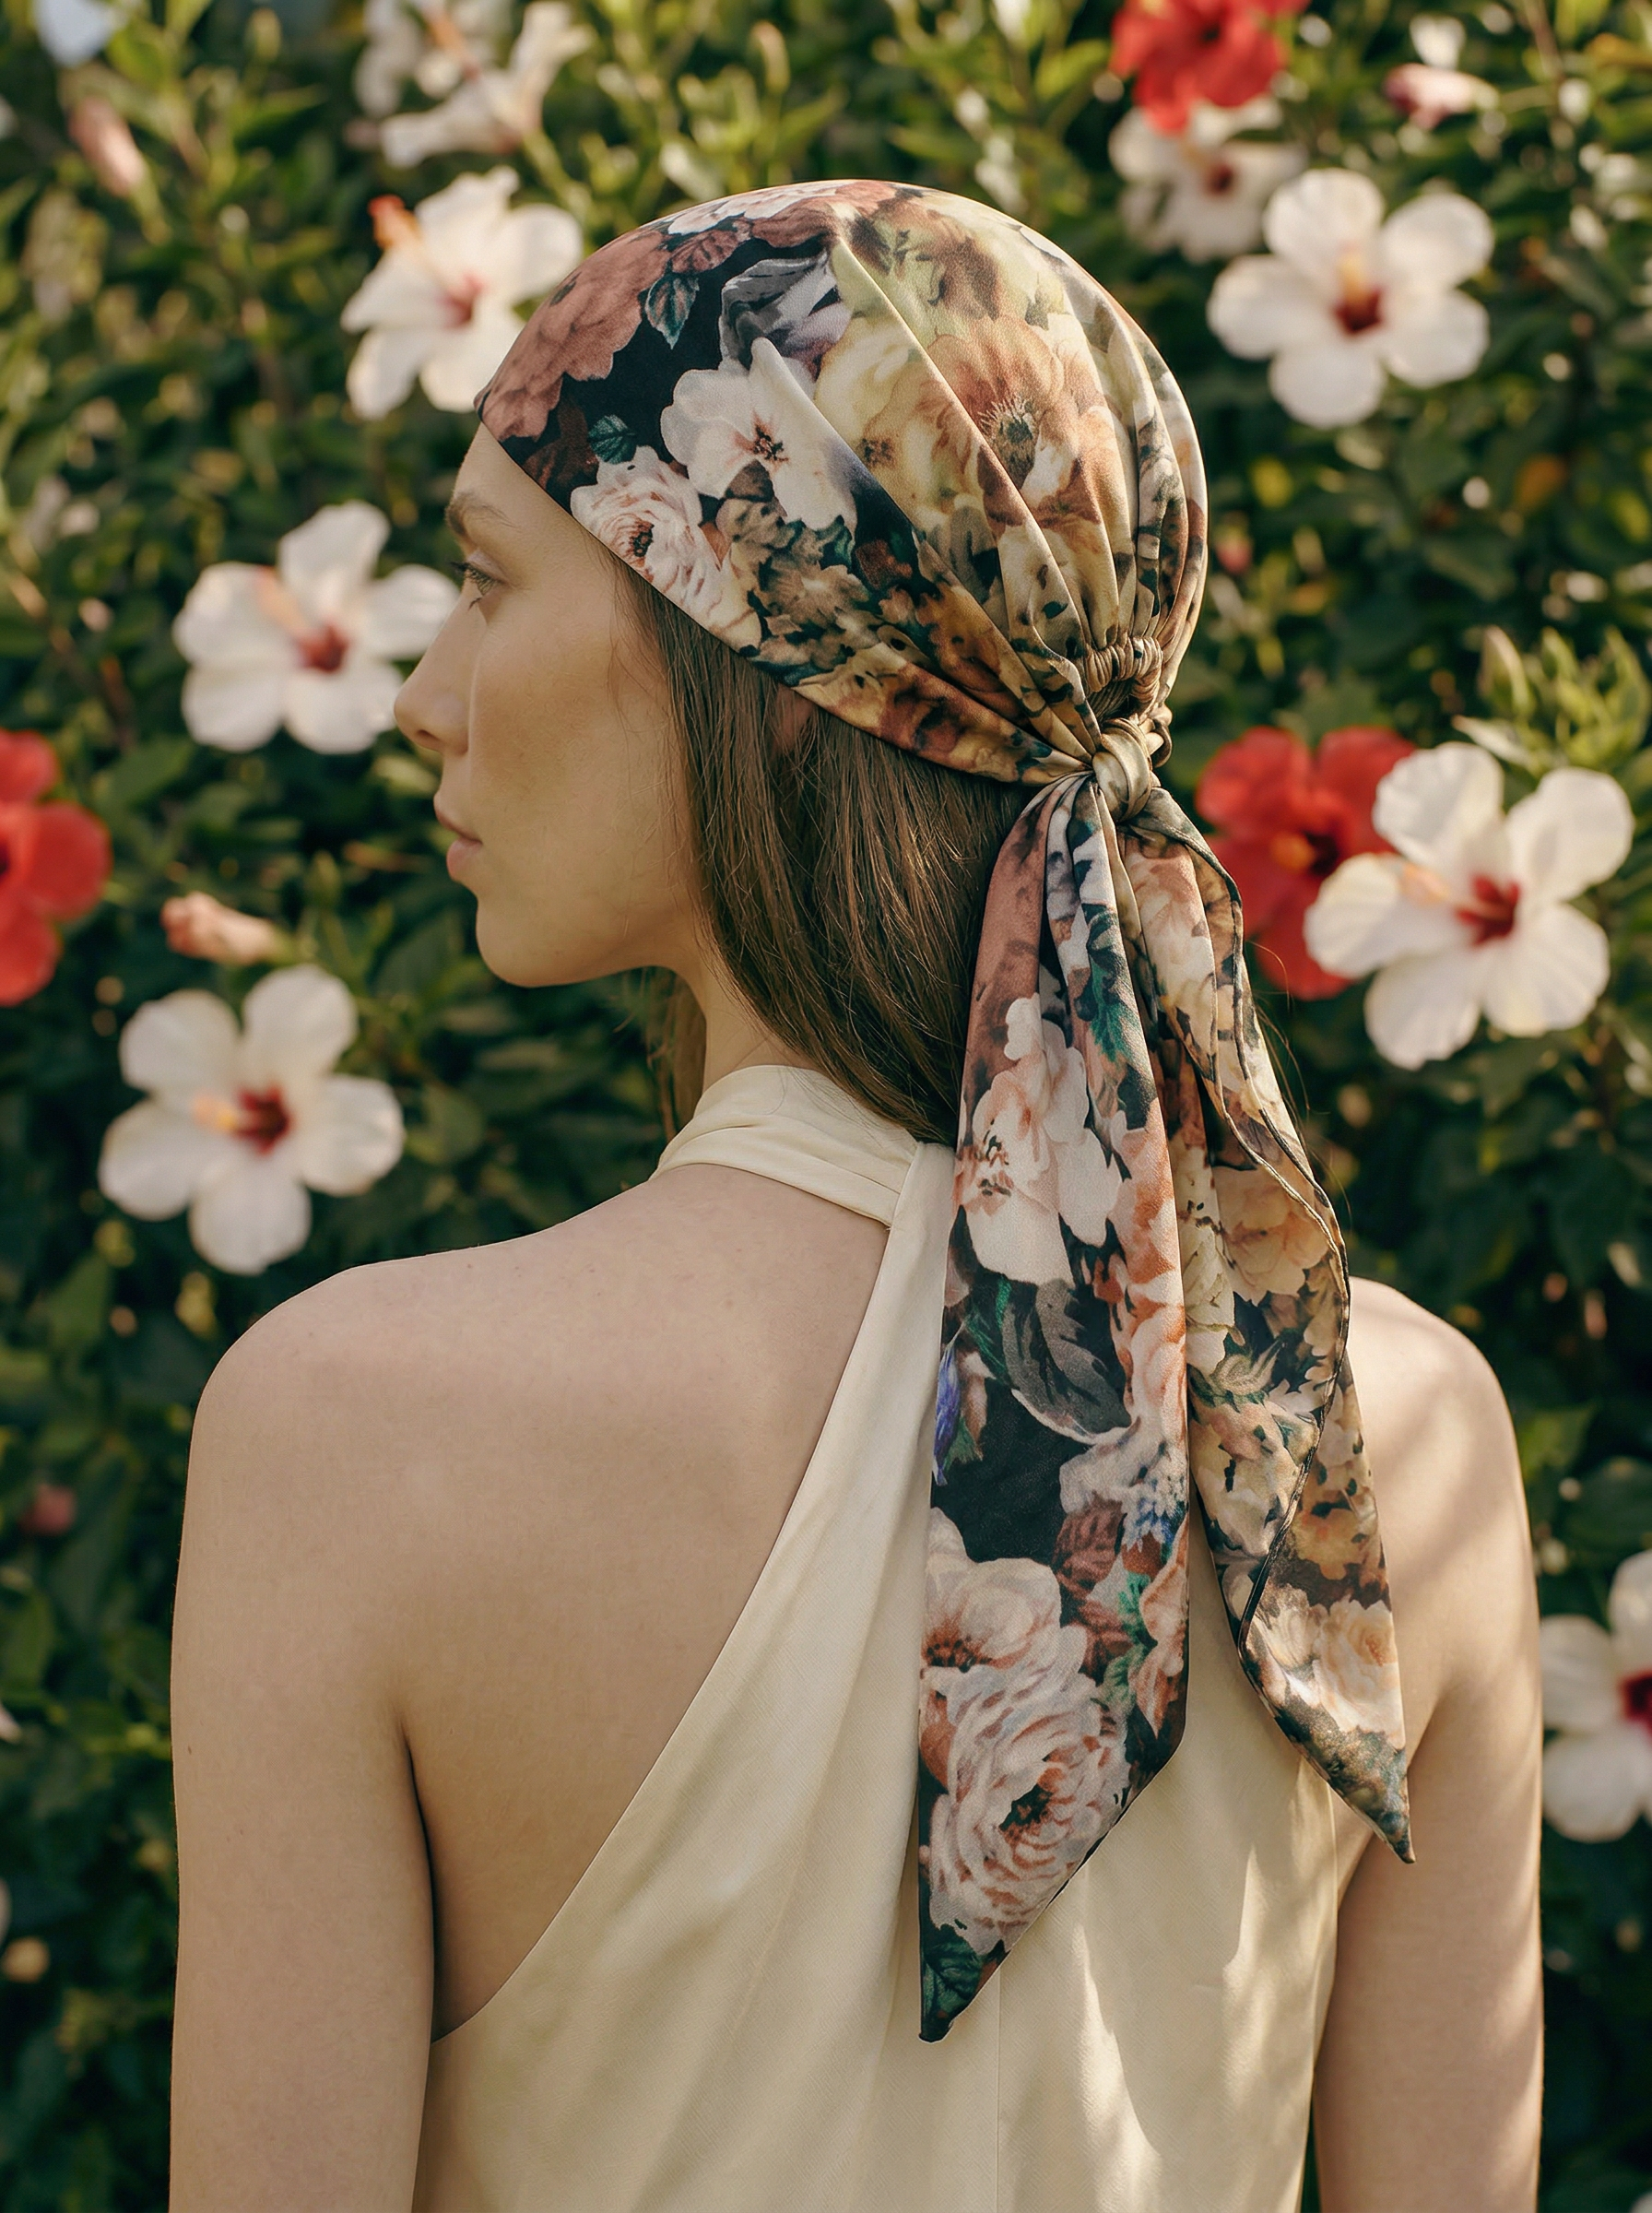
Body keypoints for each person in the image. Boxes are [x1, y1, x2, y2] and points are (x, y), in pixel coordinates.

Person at [168, 182, 1541, 2212]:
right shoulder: (1378, 1439)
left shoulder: (357, 1433)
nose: (422, 697)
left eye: (484, 582)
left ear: (732, 638)